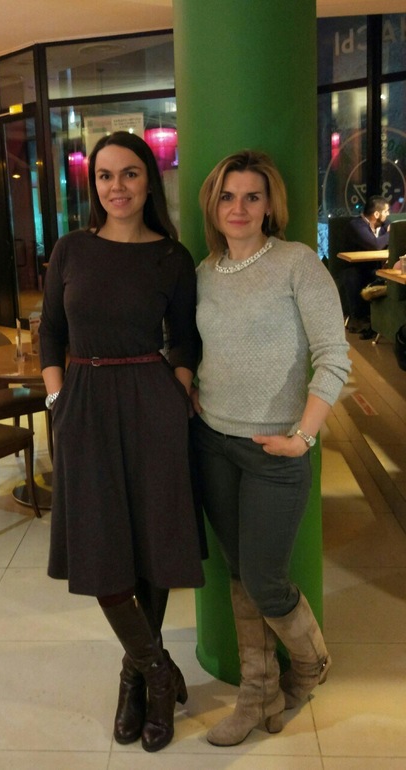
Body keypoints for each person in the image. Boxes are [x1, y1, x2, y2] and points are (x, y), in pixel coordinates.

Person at [39, 130, 204, 753]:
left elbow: (184, 339)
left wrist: (176, 390)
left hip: (151, 402)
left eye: (129, 173)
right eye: (105, 175)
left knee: (153, 541)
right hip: (84, 402)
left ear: (148, 181)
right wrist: (58, 397)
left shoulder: (172, 257)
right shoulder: (71, 249)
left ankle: (135, 682)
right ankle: (155, 670)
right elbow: (51, 331)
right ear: (94, 185)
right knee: (101, 544)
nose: (117, 186)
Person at [191, 150, 351, 747]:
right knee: (239, 573)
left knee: (265, 580)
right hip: (213, 444)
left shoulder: (297, 263)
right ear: (214, 205)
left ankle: (309, 666)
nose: (238, 207)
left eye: (251, 196)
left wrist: (303, 437)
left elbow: (334, 356)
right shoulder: (204, 272)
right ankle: (257, 693)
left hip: (276, 453)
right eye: (227, 196)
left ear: (269, 205)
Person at [343, 195, 390, 338]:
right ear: (376, 214)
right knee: (352, 276)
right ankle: (358, 320)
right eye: (386, 211)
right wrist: (391, 233)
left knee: (385, 276)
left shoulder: (383, 225)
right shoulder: (356, 226)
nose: (388, 214)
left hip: (376, 268)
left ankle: (379, 321)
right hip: (356, 268)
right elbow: (375, 245)